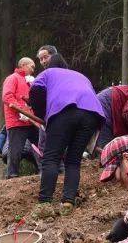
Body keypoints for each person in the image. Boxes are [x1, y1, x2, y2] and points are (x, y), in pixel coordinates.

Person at [28, 54, 105, 213]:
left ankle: (44, 204)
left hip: (64, 110)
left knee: (51, 157)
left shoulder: (49, 73)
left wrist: (41, 113)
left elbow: (35, 89)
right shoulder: (81, 76)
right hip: (92, 114)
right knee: (73, 160)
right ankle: (68, 202)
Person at [1, 57, 40, 178]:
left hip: (32, 120)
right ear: (23, 65)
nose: (33, 70)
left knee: (40, 145)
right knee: (15, 149)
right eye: (31, 66)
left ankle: (44, 168)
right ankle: (12, 174)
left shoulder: (31, 81)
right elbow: (7, 97)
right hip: (16, 120)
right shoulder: (12, 78)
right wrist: (21, 110)